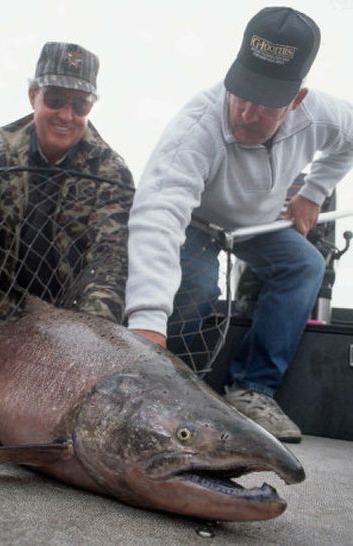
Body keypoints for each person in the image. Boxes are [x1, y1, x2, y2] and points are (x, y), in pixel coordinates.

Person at [125, 7, 353, 443]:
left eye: (267, 105)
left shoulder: (324, 114)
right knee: (195, 288)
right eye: (241, 94)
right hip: (196, 220)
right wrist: (147, 323)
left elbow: (348, 144)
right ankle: (168, 386)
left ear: (298, 99)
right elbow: (159, 215)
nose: (247, 114)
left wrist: (314, 192)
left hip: (259, 225)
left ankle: (252, 388)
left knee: (305, 265)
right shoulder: (196, 125)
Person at [0, 41, 134, 358]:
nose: (67, 115)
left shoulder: (112, 172)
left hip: (73, 328)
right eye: (55, 99)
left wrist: (84, 352)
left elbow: (109, 267)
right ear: (32, 95)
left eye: (80, 105)